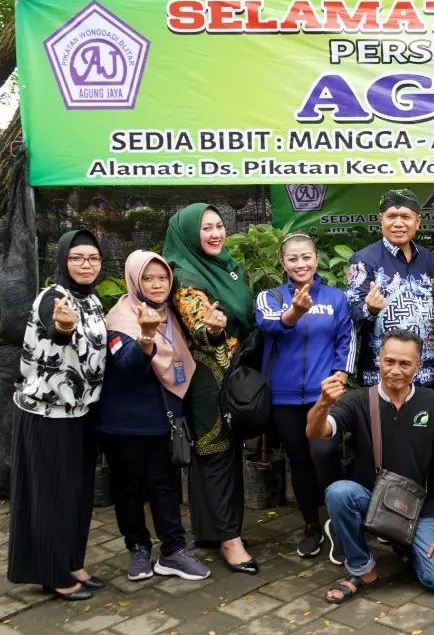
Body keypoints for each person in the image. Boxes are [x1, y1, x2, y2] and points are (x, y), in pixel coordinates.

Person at [308, 329, 434, 600]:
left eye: (405, 364)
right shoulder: (358, 400)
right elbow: (316, 432)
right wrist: (323, 404)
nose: (395, 370)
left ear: (418, 365)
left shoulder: (432, 401)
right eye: (389, 361)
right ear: (379, 359)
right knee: (339, 493)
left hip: (420, 507)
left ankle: (406, 543)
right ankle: (361, 567)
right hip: (374, 500)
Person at [96, 250, 211, 582]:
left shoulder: (169, 315)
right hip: (125, 424)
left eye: (163, 278)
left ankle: (173, 550)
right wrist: (146, 336)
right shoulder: (119, 319)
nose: (157, 284)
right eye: (148, 278)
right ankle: (137, 547)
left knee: (164, 485)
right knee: (128, 487)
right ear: (135, 281)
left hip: (163, 420)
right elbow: (129, 366)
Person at [7, 230, 107, 600]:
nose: (86, 264)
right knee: (51, 496)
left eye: (93, 258)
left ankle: (71, 561)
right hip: (47, 414)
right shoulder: (54, 297)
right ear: (63, 260)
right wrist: (64, 327)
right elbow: (58, 330)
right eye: (77, 257)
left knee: (77, 495)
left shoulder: (92, 299)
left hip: (79, 412)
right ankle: (52, 574)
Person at [164, 203, 258, 574]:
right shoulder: (184, 275)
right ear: (189, 234)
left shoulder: (227, 267)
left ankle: (210, 530)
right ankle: (230, 540)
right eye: (206, 228)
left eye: (219, 225)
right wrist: (213, 328)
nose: (216, 233)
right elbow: (200, 325)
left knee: (224, 453)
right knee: (214, 451)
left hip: (232, 371)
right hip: (205, 378)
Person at [256, 233, 356, 558]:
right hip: (283, 398)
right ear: (282, 263)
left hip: (322, 396)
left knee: (325, 455)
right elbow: (269, 324)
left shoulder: (336, 298)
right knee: (298, 461)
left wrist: (341, 375)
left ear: (316, 259)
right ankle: (311, 525)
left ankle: (339, 523)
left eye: (306, 257)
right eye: (293, 258)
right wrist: (295, 313)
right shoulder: (270, 296)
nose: (301, 264)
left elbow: (346, 338)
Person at [346, 189, 434, 387]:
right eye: (391, 216)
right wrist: (370, 309)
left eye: (405, 217)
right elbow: (352, 312)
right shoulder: (363, 260)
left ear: (417, 221)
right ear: (381, 220)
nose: (398, 223)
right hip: (381, 375)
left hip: (425, 373)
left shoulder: (432, 261)